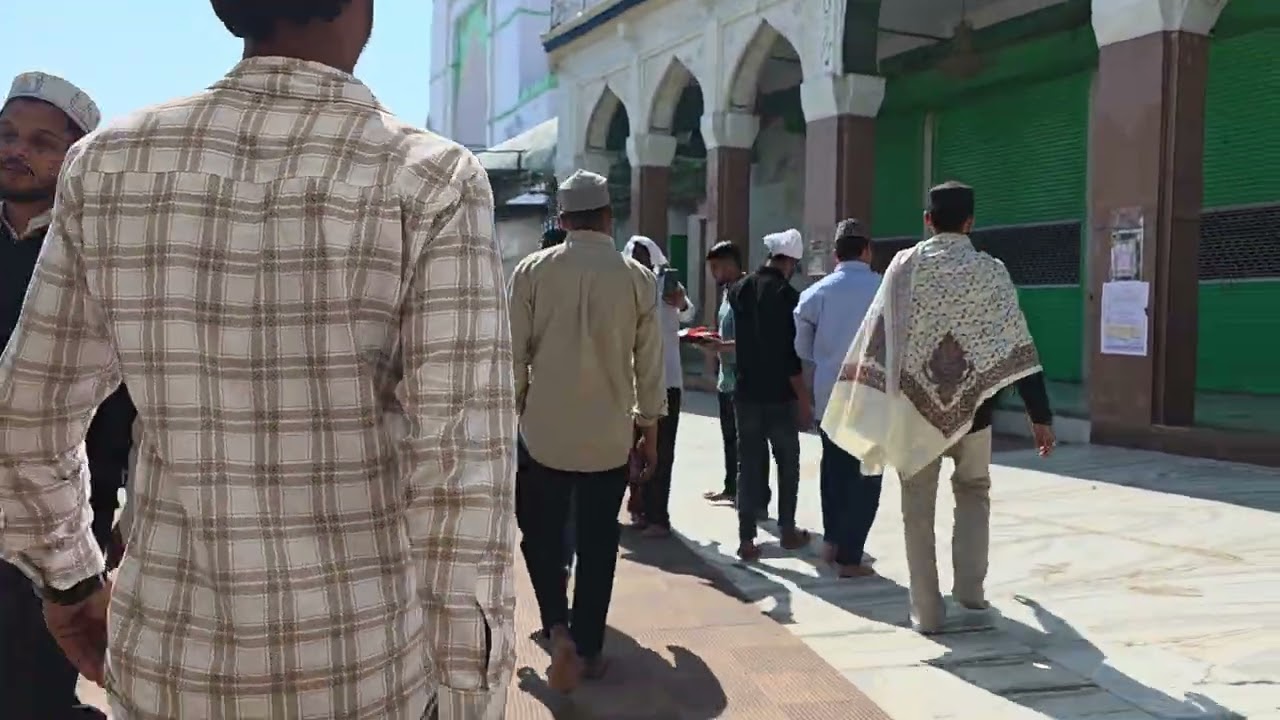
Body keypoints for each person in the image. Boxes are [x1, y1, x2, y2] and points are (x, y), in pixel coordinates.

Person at [0, 3, 518, 718]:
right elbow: (460, 473)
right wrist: (468, 693)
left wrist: (71, 581)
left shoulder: (112, 165)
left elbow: (25, 419)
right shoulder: (429, 181)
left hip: (166, 669)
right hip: (361, 672)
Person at [822, 181, 1055, 635]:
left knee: (917, 510)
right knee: (974, 493)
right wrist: (1039, 415)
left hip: (913, 411)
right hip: (978, 412)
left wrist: (865, 401)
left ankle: (927, 613)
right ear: (970, 222)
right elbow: (1017, 343)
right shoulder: (991, 272)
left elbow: (879, 337)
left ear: (927, 220)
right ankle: (970, 595)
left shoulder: (904, 266)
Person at [0, 71, 139, 720]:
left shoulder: (98, 256)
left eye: (40, 142)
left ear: (75, 157)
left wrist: (120, 521)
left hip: (57, 522)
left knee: (34, 690)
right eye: (7, 135)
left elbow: (131, 403)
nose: (16, 151)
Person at [508, 170, 665, 690]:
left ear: (563, 219)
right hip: (609, 440)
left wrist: (516, 415)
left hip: (543, 438)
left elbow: (513, 358)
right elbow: (649, 367)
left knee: (540, 536)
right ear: (608, 217)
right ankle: (591, 649)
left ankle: (558, 628)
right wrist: (648, 432)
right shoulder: (636, 278)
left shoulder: (531, 272)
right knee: (599, 545)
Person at [795, 220, 883, 579]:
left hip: (829, 392)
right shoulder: (884, 289)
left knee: (834, 470)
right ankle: (850, 557)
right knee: (866, 474)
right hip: (871, 395)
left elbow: (802, 346)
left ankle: (831, 542)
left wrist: (827, 357)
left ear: (836, 253)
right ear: (867, 250)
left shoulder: (816, 293)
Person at [727, 229, 813, 561]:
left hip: (746, 392)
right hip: (779, 396)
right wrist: (803, 400)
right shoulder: (788, 296)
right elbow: (789, 356)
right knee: (787, 463)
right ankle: (787, 531)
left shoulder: (739, 289)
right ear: (789, 262)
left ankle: (746, 539)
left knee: (747, 465)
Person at [623, 235, 693, 537]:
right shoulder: (623, 285)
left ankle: (658, 517)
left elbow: (689, 312)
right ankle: (639, 506)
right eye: (635, 255)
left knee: (662, 450)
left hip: (666, 381)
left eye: (645, 255)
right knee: (631, 449)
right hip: (631, 381)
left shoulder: (667, 284)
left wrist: (681, 302)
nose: (640, 260)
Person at [699, 241, 769, 516]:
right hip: (726, 379)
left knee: (752, 443)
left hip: (745, 379)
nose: (713, 274)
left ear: (729, 264)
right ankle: (732, 488)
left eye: (716, 267)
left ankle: (757, 499)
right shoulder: (727, 294)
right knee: (730, 439)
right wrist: (711, 340)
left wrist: (722, 346)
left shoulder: (749, 291)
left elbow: (755, 340)